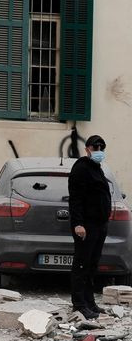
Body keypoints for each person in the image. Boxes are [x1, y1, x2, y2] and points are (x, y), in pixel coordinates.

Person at [69, 134, 113, 318]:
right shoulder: (81, 168)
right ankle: (79, 304)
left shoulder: (96, 168)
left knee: (92, 265)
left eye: (101, 148)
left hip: (99, 225)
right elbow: (76, 198)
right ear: (87, 149)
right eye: (95, 148)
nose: (99, 151)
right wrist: (78, 224)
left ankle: (90, 303)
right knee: (81, 264)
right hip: (86, 225)